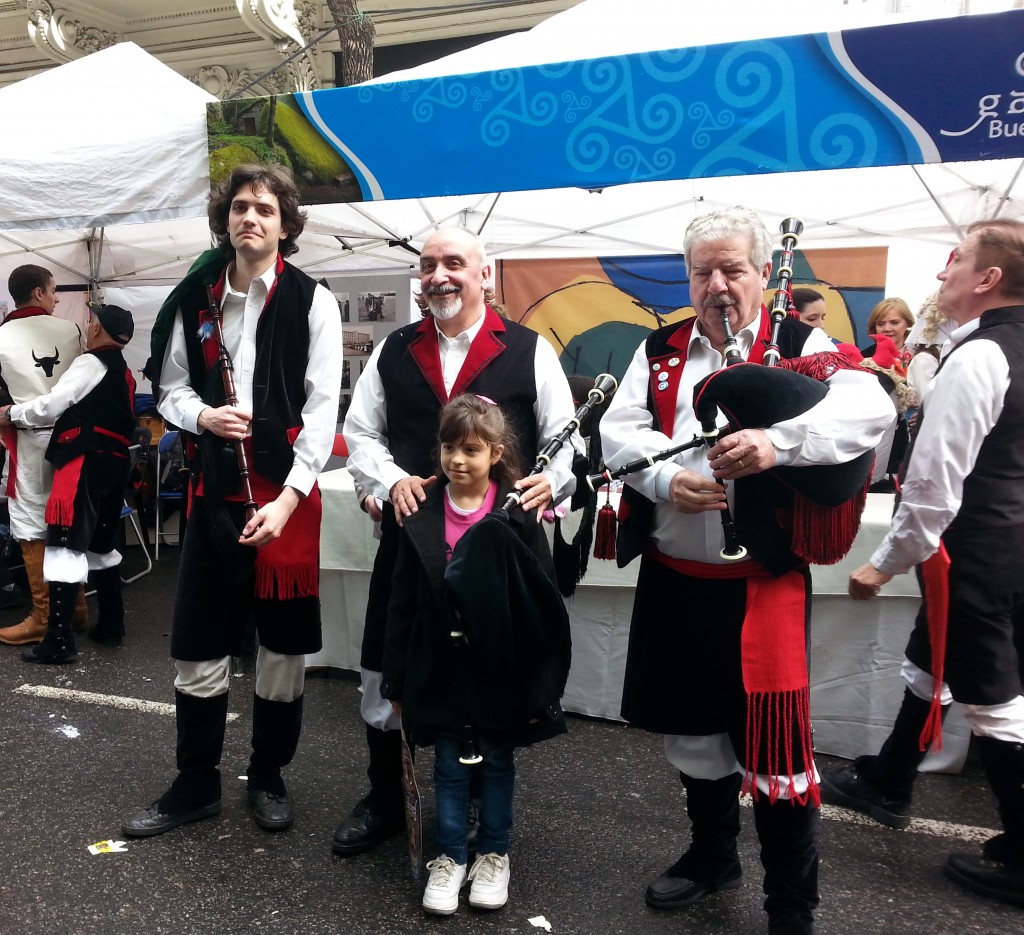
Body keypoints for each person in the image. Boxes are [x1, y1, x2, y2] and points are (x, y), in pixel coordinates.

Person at [600, 206, 894, 935]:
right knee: (694, 735)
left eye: (733, 268)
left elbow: (870, 410)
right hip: (674, 576)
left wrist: (777, 442)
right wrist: (667, 484)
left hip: (760, 586)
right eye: (704, 271)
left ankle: (790, 907)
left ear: (763, 273)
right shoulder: (660, 347)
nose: (718, 284)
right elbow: (618, 432)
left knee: (777, 756)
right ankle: (712, 856)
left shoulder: (799, 339)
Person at [335, 226, 579, 857]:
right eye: (428, 266)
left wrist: (552, 479)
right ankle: (388, 795)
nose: (439, 276)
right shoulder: (394, 350)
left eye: (453, 264)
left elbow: (566, 437)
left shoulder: (528, 349)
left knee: (487, 670)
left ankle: (474, 801)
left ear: (484, 275)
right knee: (387, 670)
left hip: (499, 553)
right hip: (415, 547)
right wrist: (391, 481)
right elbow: (360, 432)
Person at [121, 163, 342, 837]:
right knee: (198, 644)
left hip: (286, 501)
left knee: (280, 653)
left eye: (265, 210)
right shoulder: (196, 299)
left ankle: (269, 775)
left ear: (285, 224)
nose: (251, 218)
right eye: (241, 207)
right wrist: (202, 418)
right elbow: (172, 390)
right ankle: (196, 783)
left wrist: (290, 499)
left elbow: (324, 408)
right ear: (226, 218)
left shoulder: (314, 301)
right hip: (214, 492)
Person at [843, 218, 1024, 908]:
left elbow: (932, 484)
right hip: (1011, 547)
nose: (942, 275)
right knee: (934, 658)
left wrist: (883, 563)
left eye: (956, 263)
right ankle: (890, 778)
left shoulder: (980, 355)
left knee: (995, 701)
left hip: (976, 554)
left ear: (989, 279)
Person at [381, 394, 570, 915]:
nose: (457, 460)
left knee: (498, 763)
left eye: (470, 449)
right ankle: (451, 857)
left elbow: (541, 602)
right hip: (437, 667)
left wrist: (540, 682)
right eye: (448, 448)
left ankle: (493, 853)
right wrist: (394, 681)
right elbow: (399, 603)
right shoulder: (418, 511)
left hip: (500, 667)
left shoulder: (520, 515)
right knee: (447, 764)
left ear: (496, 453)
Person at [0, 305, 136, 662]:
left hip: (84, 458)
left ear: (98, 330)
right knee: (100, 546)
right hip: (116, 462)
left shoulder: (91, 362)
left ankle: (59, 641)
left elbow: (52, 405)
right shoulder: (123, 370)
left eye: (92, 321)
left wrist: (12, 413)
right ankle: (111, 625)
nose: (88, 326)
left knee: (63, 544)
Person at [0, 264, 86, 647]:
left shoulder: (0, 336)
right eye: (53, 291)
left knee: (31, 522)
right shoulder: (71, 330)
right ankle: (76, 607)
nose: (56, 299)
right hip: (71, 439)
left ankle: (45, 614)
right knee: (69, 517)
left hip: (29, 437)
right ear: (37, 293)